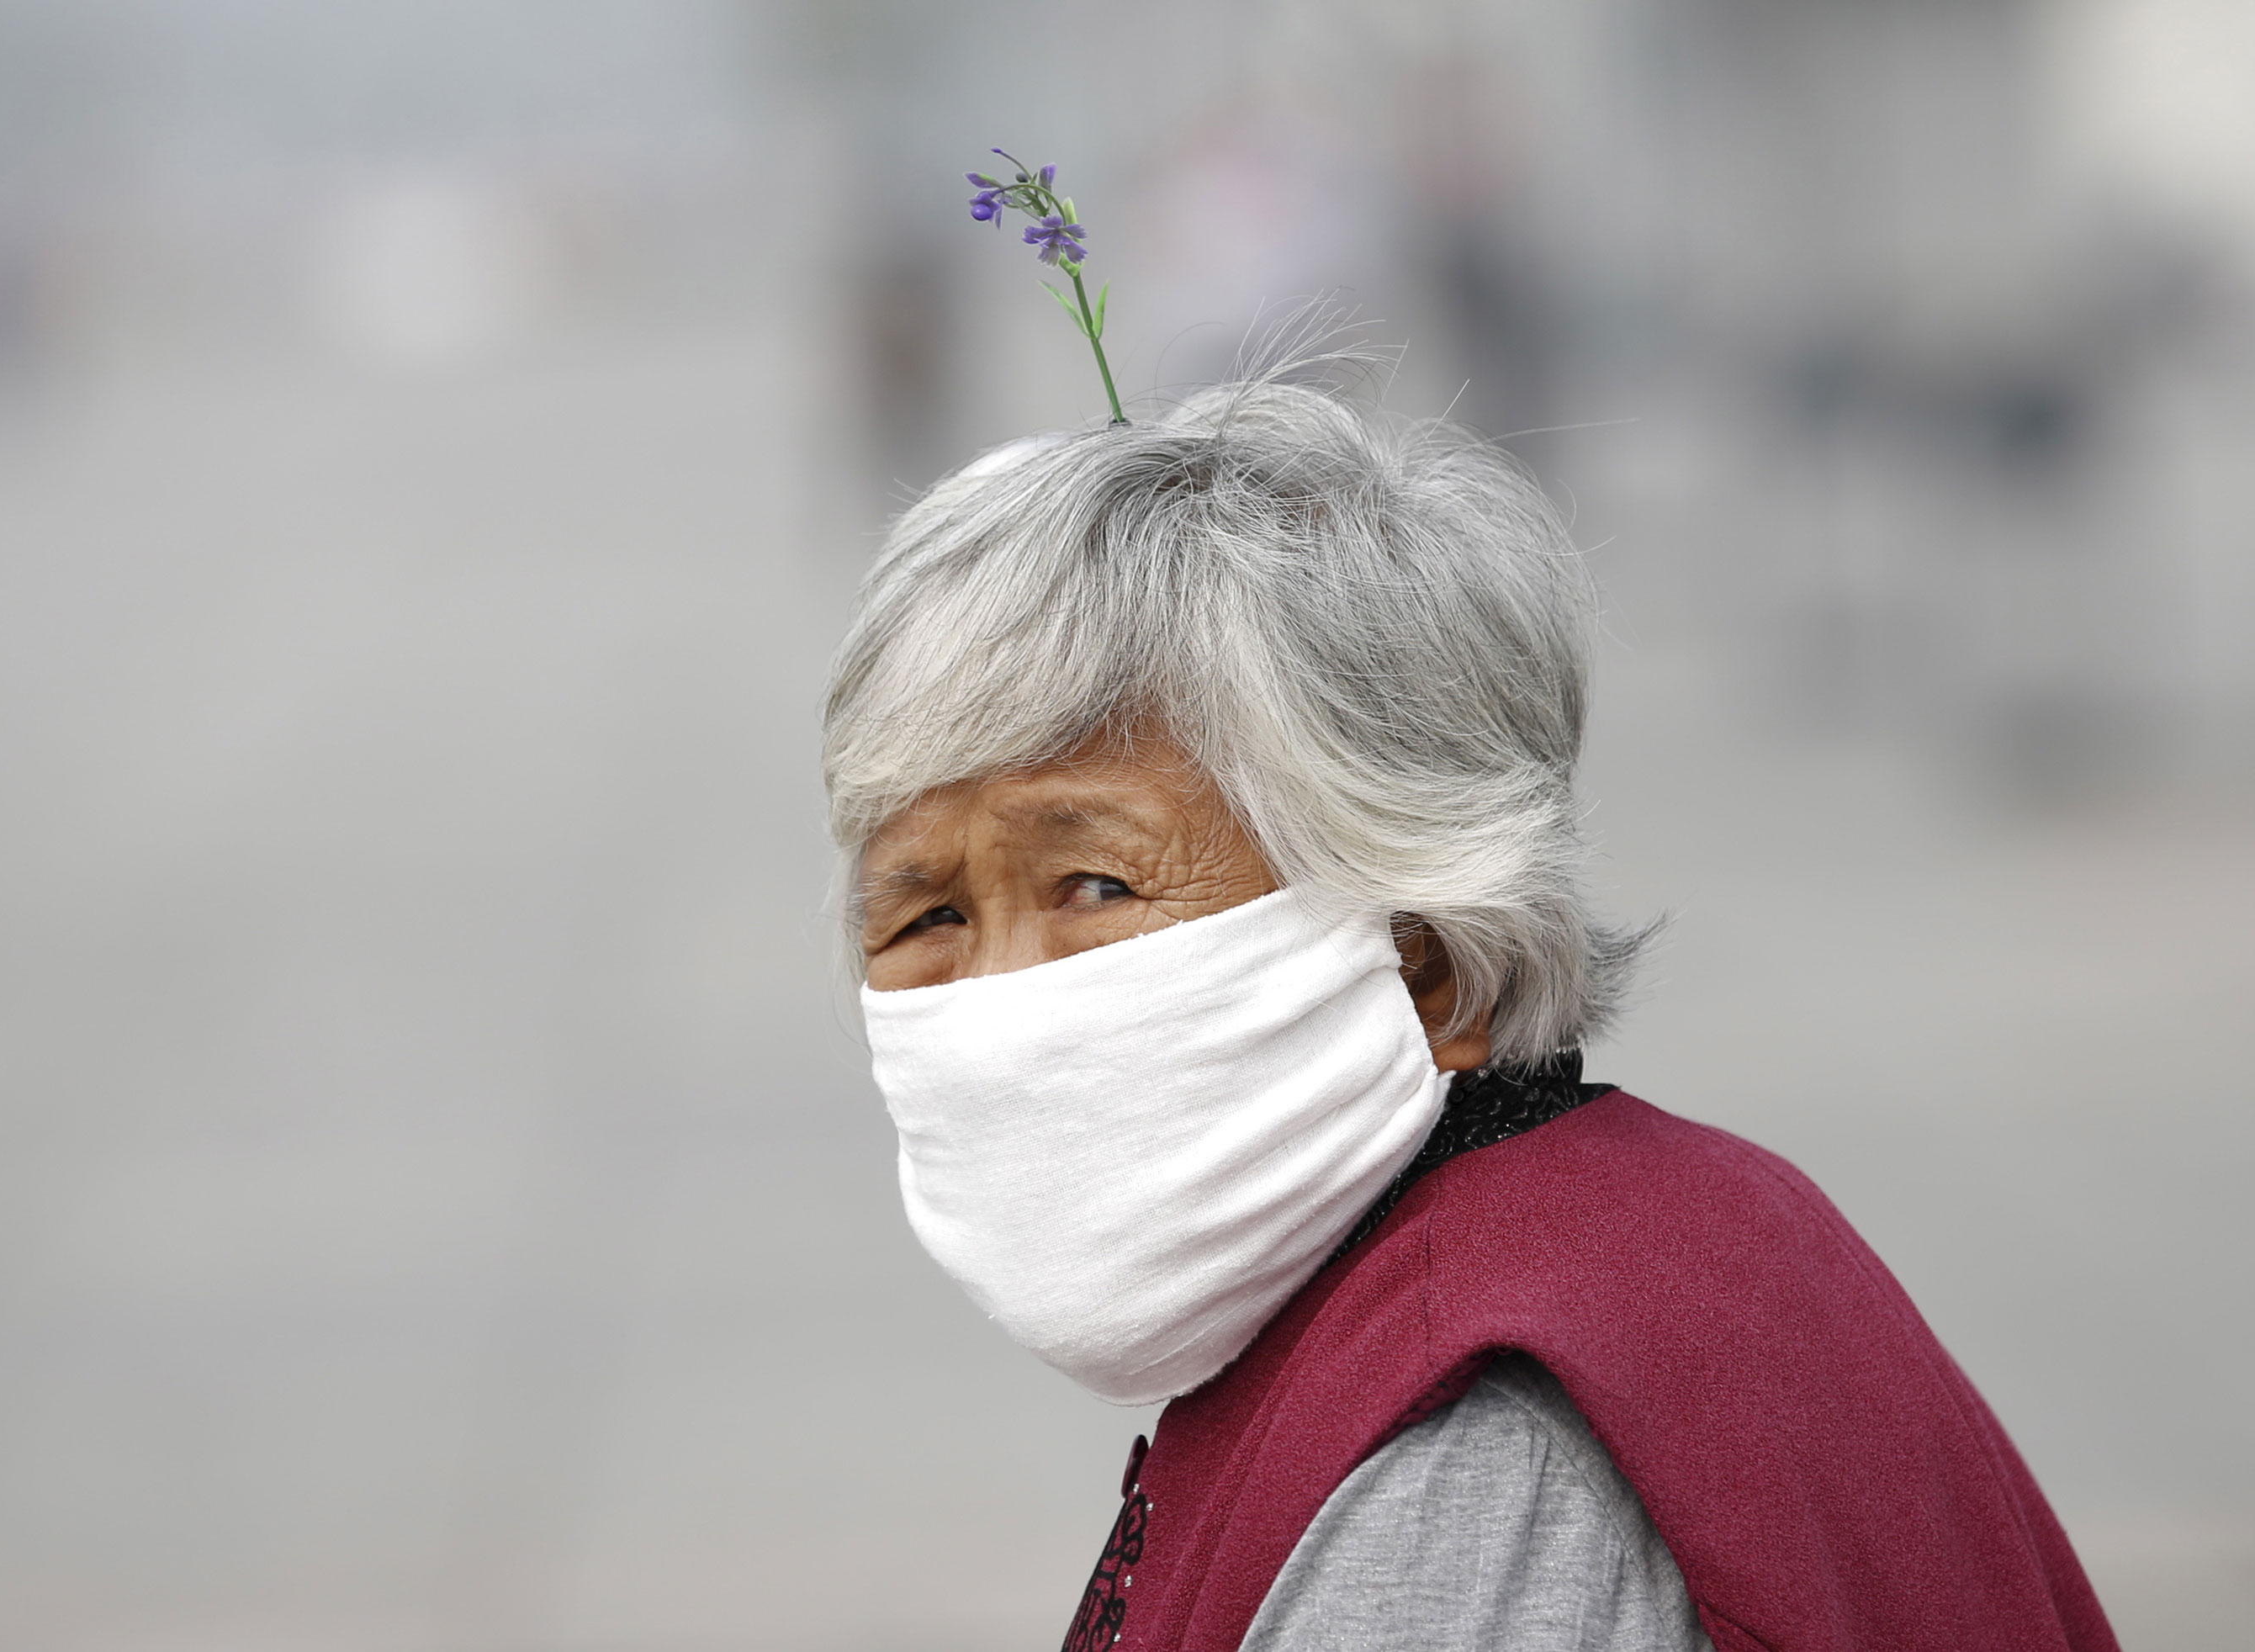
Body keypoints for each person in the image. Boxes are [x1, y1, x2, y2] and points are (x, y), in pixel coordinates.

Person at [821, 371, 2118, 1652]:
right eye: (926, 915)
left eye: (1096, 883)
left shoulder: (1485, 1472)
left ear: (1430, 964)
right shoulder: (1655, 1236)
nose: (997, 999)